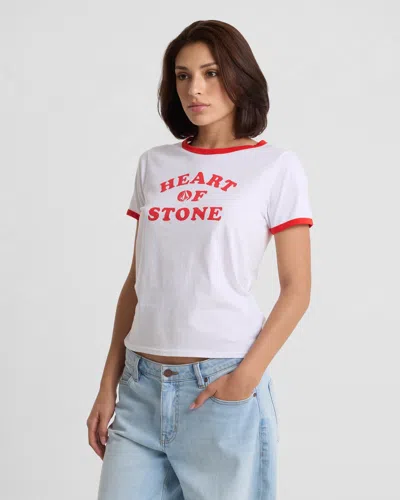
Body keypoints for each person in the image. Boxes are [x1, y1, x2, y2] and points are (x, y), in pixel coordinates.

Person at [87, 19, 314, 500]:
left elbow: (297, 288)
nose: (195, 88)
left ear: (239, 76)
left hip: (219, 387)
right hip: (140, 387)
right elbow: (137, 281)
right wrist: (109, 385)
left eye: (211, 73)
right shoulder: (155, 164)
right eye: (183, 75)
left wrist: (244, 380)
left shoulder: (275, 167)